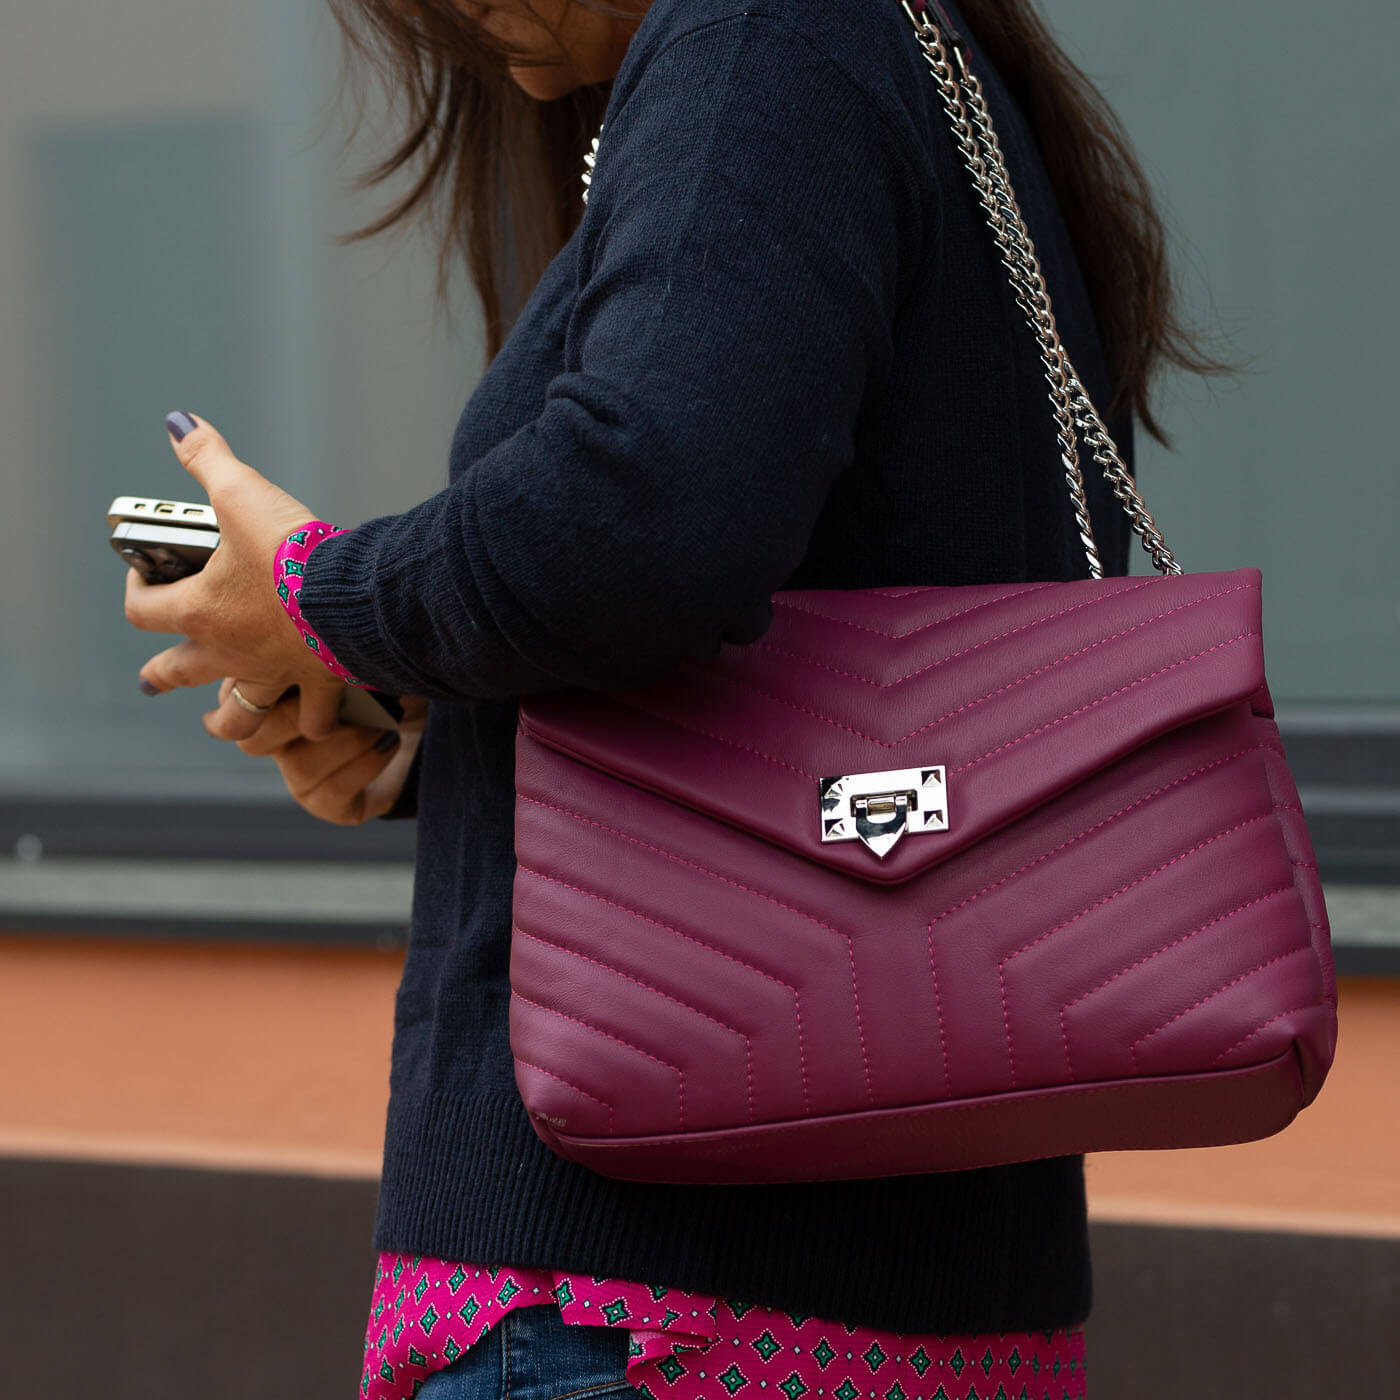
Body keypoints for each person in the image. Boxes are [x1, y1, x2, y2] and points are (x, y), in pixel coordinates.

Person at [122, 2, 1232, 1397]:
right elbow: (831, 653)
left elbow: (634, 520)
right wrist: (425, 737)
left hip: (645, 1300)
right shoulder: (900, 64)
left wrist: (314, 592)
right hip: (935, 1295)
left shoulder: (762, 40)